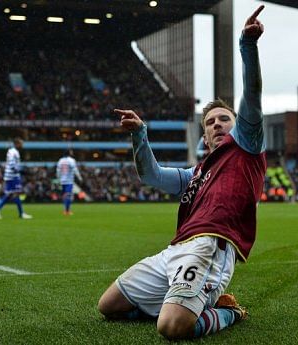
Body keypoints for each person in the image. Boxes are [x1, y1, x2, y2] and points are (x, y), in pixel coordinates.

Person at [97, 6, 266, 340]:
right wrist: (139, 134)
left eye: (225, 119)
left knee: (173, 328)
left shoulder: (246, 148)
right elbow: (152, 177)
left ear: (238, 127)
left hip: (210, 246)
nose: (218, 124)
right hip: (174, 250)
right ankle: (184, 300)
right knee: (108, 305)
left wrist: (247, 46)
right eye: (211, 122)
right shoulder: (196, 172)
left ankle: (225, 311)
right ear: (204, 136)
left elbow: (254, 94)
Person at [0, 138, 33, 220]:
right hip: (13, 176)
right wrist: (22, 171)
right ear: (17, 144)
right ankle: (21, 213)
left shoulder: (10, 151)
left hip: (9, 176)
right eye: (21, 143)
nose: (22, 145)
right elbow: (12, 165)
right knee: (15, 193)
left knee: (10, 194)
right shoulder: (14, 152)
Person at [56, 150, 82, 215]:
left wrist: (58, 179)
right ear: (69, 154)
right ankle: (67, 211)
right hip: (69, 181)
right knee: (68, 196)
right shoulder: (71, 160)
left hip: (62, 181)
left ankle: (65, 210)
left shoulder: (60, 160)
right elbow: (75, 169)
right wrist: (79, 177)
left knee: (65, 196)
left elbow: (58, 171)